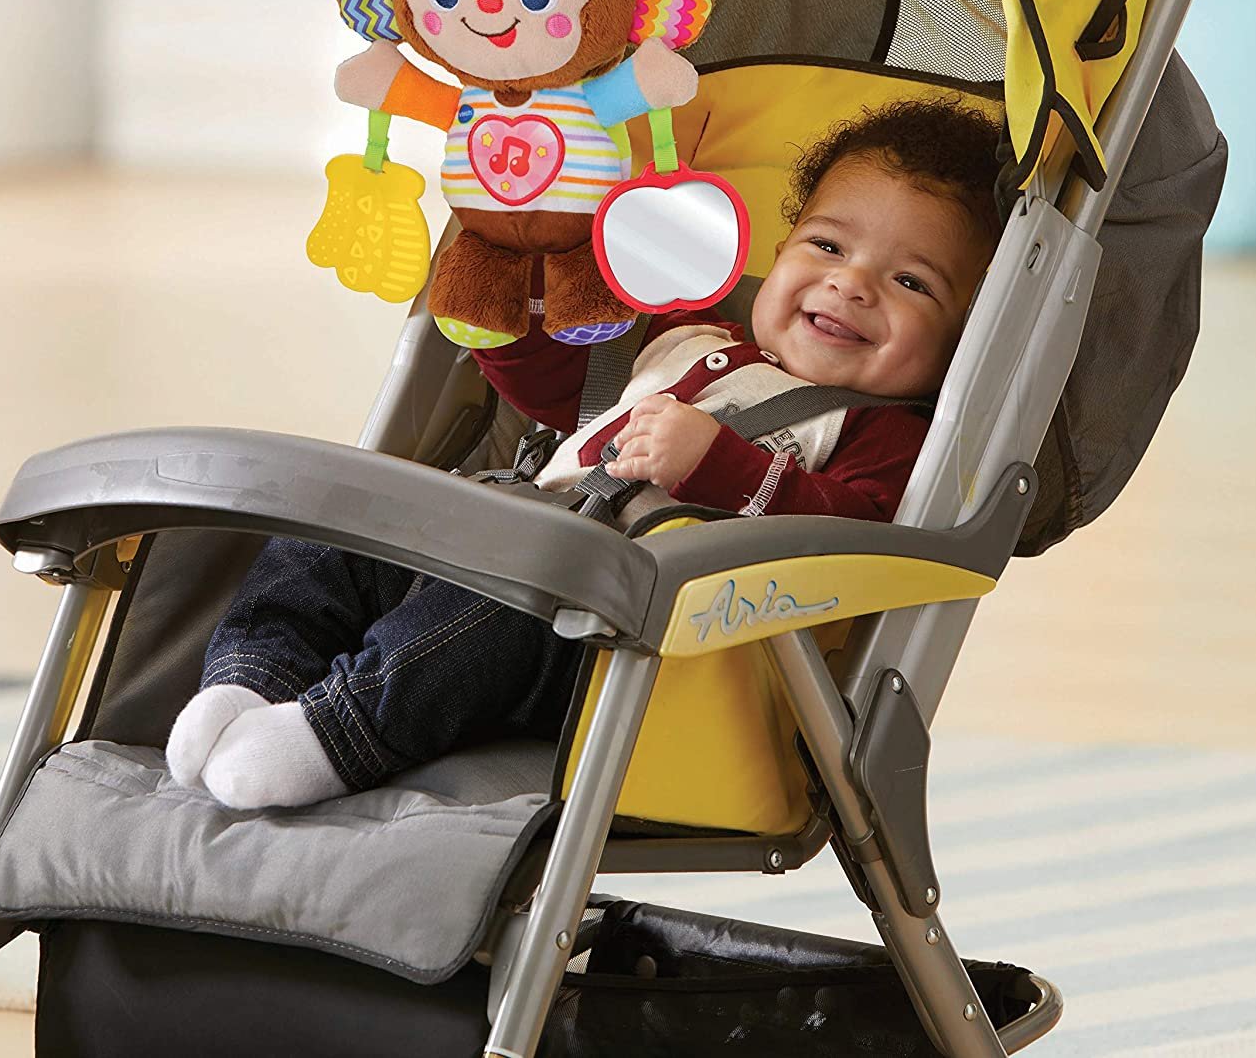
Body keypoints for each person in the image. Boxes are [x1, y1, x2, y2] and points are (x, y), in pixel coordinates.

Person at [165, 97, 1002, 810]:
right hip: (514, 534)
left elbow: (848, 530)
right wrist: (511, 322)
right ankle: (251, 679)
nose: (852, 283)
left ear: (961, 338)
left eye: (911, 282)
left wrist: (717, 465)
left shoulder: (886, 434)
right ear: (780, 253)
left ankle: (333, 735)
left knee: (494, 614)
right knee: (338, 522)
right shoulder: (694, 339)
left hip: (606, 640)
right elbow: (569, 395)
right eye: (827, 246)